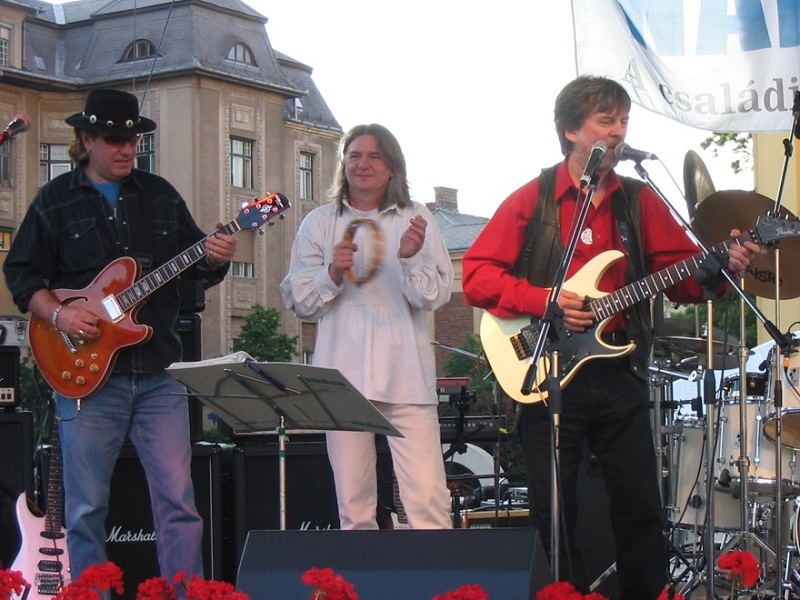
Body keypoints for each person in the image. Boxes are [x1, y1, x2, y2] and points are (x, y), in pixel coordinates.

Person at [461, 75, 758, 600]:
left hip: (619, 370)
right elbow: (476, 275)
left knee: (640, 505)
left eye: (624, 120)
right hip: (547, 371)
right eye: (607, 121)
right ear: (572, 131)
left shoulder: (639, 201)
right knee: (554, 511)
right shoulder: (535, 198)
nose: (620, 131)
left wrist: (720, 265)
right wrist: (544, 301)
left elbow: (683, 280)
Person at [3, 89, 237, 586]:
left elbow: (194, 272)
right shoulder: (55, 200)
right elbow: (22, 275)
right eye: (113, 140)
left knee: (178, 505)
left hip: (159, 374)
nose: (126, 148)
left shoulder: (161, 195)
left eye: (132, 139)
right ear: (86, 140)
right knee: (85, 509)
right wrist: (61, 314)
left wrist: (216, 257)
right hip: (85, 378)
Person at [280, 123, 453, 530]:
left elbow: (434, 296)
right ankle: (361, 573)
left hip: (406, 376)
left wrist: (410, 257)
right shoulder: (320, 222)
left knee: (428, 504)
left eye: (375, 156)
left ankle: (439, 573)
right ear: (343, 164)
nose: (363, 164)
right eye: (355, 155)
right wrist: (332, 273)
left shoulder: (415, 216)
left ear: (392, 166)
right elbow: (299, 301)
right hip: (342, 382)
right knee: (354, 511)